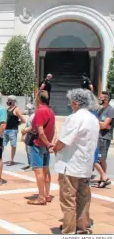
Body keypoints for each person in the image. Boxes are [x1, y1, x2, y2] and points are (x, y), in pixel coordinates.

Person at [51, 88, 98, 234]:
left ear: (76, 102)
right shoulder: (93, 118)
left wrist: (55, 148)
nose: (70, 104)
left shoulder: (74, 117)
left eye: (71, 101)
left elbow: (65, 140)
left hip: (70, 165)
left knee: (68, 200)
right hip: (85, 166)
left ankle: (69, 230)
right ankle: (81, 228)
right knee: (83, 198)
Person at [26, 90, 55, 206]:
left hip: (38, 144)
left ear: (38, 99)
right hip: (46, 145)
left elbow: (40, 131)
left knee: (38, 172)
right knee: (46, 170)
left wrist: (47, 143)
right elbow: (53, 130)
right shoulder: (51, 111)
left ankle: (41, 197)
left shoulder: (39, 112)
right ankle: (47, 195)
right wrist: (49, 143)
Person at [95, 91, 112, 188]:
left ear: (105, 99)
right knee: (97, 158)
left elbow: (105, 125)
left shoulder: (110, 110)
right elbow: (95, 123)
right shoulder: (99, 110)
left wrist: (101, 124)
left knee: (102, 159)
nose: (99, 100)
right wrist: (100, 124)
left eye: (101, 98)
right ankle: (102, 177)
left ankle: (103, 178)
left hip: (105, 137)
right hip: (98, 136)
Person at [3, 95, 26, 166]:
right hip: (5, 130)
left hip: (12, 130)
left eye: (9, 100)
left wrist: (16, 124)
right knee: (2, 144)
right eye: (8, 100)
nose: (8, 101)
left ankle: (11, 160)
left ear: (13, 101)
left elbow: (23, 120)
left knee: (13, 145)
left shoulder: (16, 109)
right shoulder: (8, 109)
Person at [20, 104, 35, 171]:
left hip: (31, 135)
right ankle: (30, 164)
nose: (28, 111)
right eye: (27, 109)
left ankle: (32, 165)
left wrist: (25, 131)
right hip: (28, 134)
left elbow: (32, 127)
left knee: (30, 151)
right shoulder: (29, 116)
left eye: (29, 109)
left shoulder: (33, 116)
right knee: (27, 150)